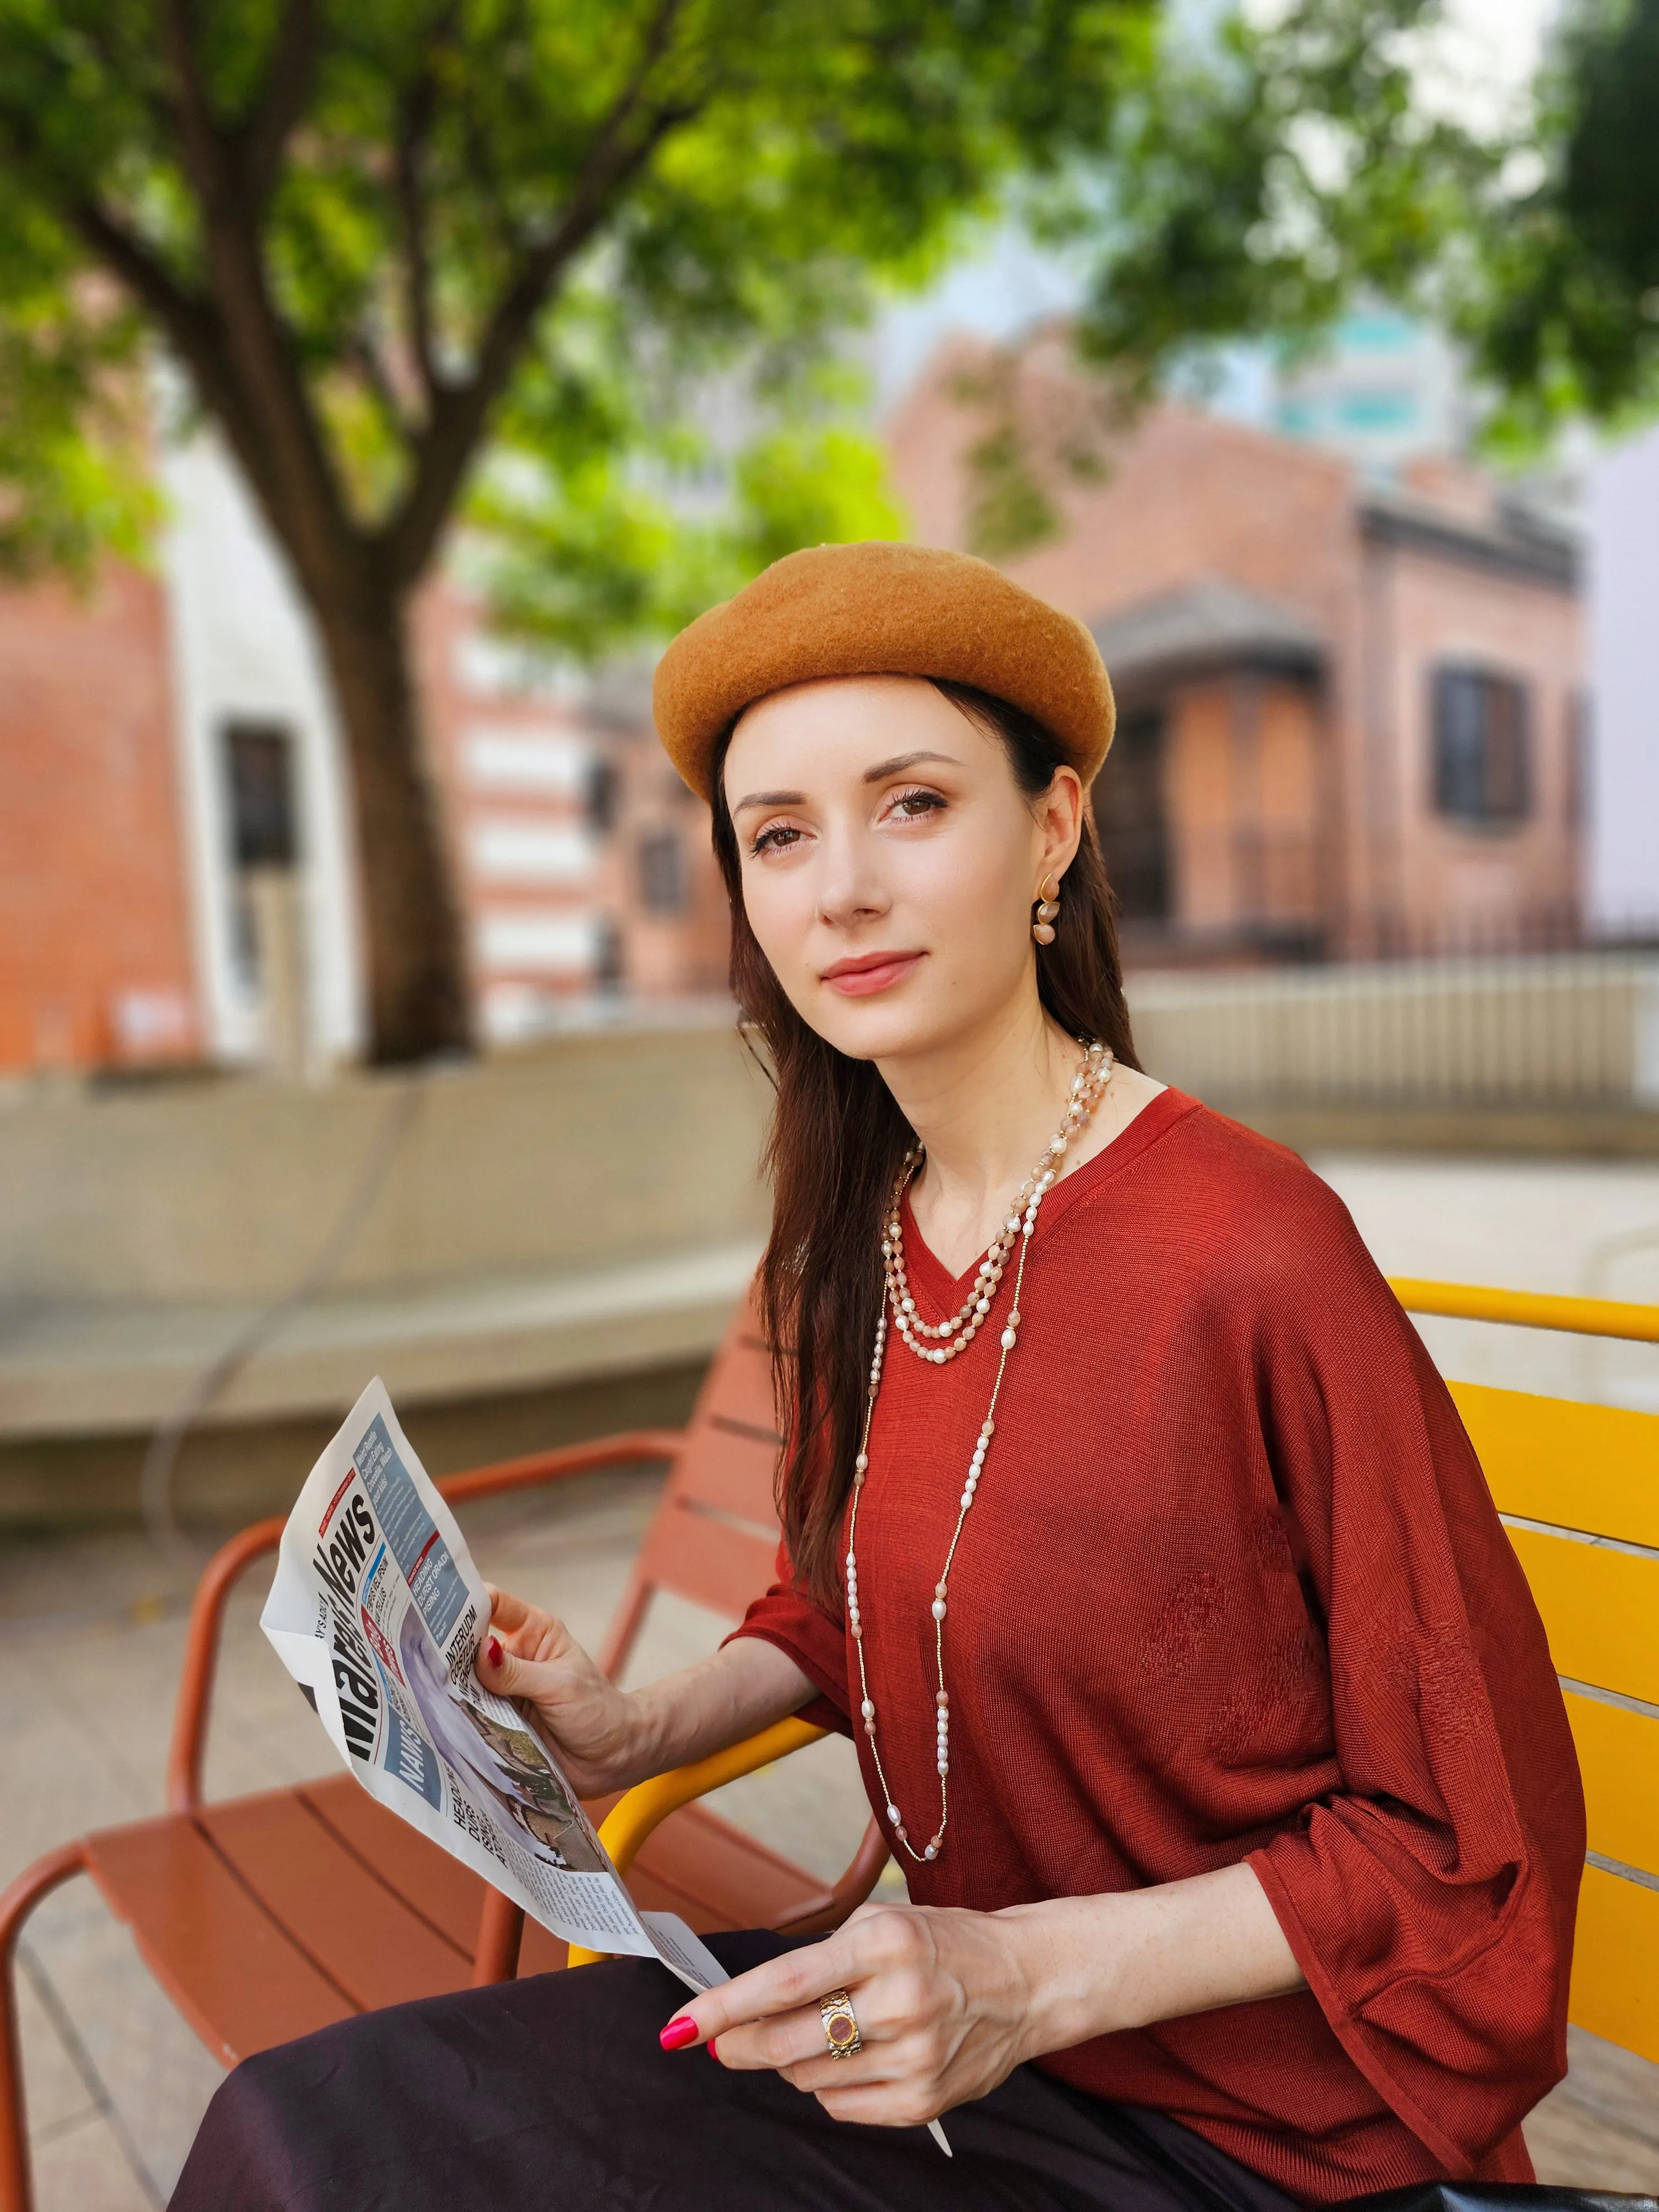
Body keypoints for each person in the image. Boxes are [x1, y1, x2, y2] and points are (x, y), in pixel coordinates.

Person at [171, 545, 1583, 2212]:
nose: (839, 889)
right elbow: (862, 1600)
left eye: (910, 804)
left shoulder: (1246, 1250)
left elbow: (1469, 1851)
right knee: (305, 2133)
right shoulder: (865, 1238)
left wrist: (1020, 1978)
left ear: (1051, 829)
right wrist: (646, 1723)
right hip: (943, 2059)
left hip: (1258, 2141)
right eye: (780, 835)